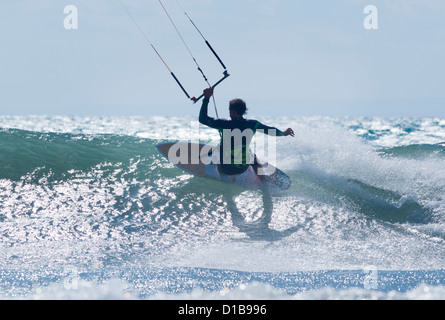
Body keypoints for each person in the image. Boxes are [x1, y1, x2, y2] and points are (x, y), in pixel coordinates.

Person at [199, 87, 294, 185]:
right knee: (251, 155)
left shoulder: (224, 124)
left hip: (226, 169)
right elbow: (270, 130)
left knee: (219, 149)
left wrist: (206, 98)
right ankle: (263, 180)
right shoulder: (253, 124)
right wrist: (283, 133)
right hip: (242, 168)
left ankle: (219, 174)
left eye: (230, 110)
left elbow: (202, 119)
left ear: (233, 111)